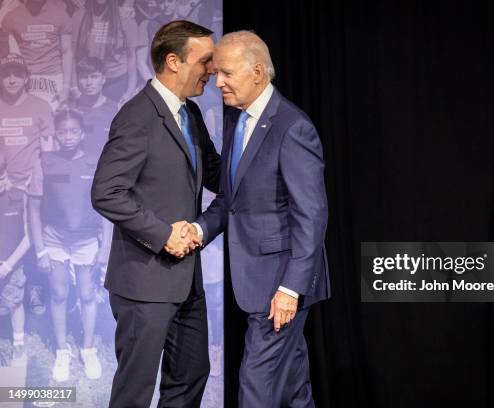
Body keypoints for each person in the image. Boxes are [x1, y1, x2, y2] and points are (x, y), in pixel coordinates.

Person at [192, 30, 330, 407]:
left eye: (226, 73)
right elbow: (230, 200)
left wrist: (290, 289)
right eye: (216, 72)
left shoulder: (293, 127)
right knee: (294, 387)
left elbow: (311, 215)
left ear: (257, 72)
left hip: (279, 284)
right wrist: (199, 229)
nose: (217, 81)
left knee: (257, 387)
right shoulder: (236, 120)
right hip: (256, 280)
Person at [91, 20, 220, 407]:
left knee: (190, 378)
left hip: (187, 283)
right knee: (135, 391)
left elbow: (217, 174)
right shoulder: (137, 117)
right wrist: (164, 234)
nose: (212, 70)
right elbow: (106, 192)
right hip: (143, 284)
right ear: (173, 62)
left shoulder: (191, 115)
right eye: (205, 60)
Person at [27, 109, 111, 382]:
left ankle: (87, 349)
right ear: (56, 134)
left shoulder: (92, 163)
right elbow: (33, 208)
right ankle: (62, 351)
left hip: (86, 240)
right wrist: (40, 249)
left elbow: (105, 209)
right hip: (54, 240)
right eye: (62, 132)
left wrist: (105, 246)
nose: (68, 137)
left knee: (87, 294)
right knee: (59, 292)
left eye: (74, 131)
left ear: (82, 133)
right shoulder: (45, 162)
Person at [0, 53, 54, 316]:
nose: (11, 79)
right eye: (6, 74)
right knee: (11, 239)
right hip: (4, 186)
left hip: (32, 184)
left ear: (25, 78)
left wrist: (38, 176)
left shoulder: (40, 106)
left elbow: (48, 148)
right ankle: (12, 294)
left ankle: (36, 289)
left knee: (34, 234)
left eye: (16, 74)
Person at [1, 0, 74, 108]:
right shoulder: (11, 18)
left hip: (54, 77)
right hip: (26, 78)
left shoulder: (60, 15)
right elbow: (12, 55)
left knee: (53, 118)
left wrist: (66, 87)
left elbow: (67, 52)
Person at [72, 0, 142, 105]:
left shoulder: (124, 16)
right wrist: (74, 86)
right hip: (89, 81)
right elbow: (73, 56)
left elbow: (131, 57)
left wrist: (129, 90)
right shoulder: (79, 16)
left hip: (117, 81)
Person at [0, 150, 29, 367]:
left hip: (13, 263)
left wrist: (9, 264)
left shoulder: (20, 196)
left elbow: (30, 237)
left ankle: (18, 341)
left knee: (14, 302)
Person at [71, 56, 116, 158]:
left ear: (103, 79)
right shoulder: (72, 110)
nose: (89, 83)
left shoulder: (116, 109)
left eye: (94, 77)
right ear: (78, 79)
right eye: (84, 77)